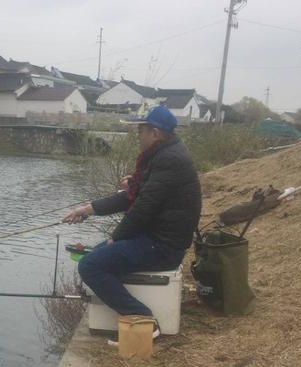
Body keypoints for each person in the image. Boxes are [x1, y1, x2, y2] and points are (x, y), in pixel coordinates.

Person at [63, 105, 201, 322]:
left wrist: (115, 238)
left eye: (140, 131)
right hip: (156, 239)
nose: (138, 136)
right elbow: (132, 197)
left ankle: (141, 317)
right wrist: (87, 209)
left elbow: (142, 208)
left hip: (164, 247)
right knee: (93, 256)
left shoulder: (169, 160)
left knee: (89, 265)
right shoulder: (163, 155)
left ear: (154, 133)